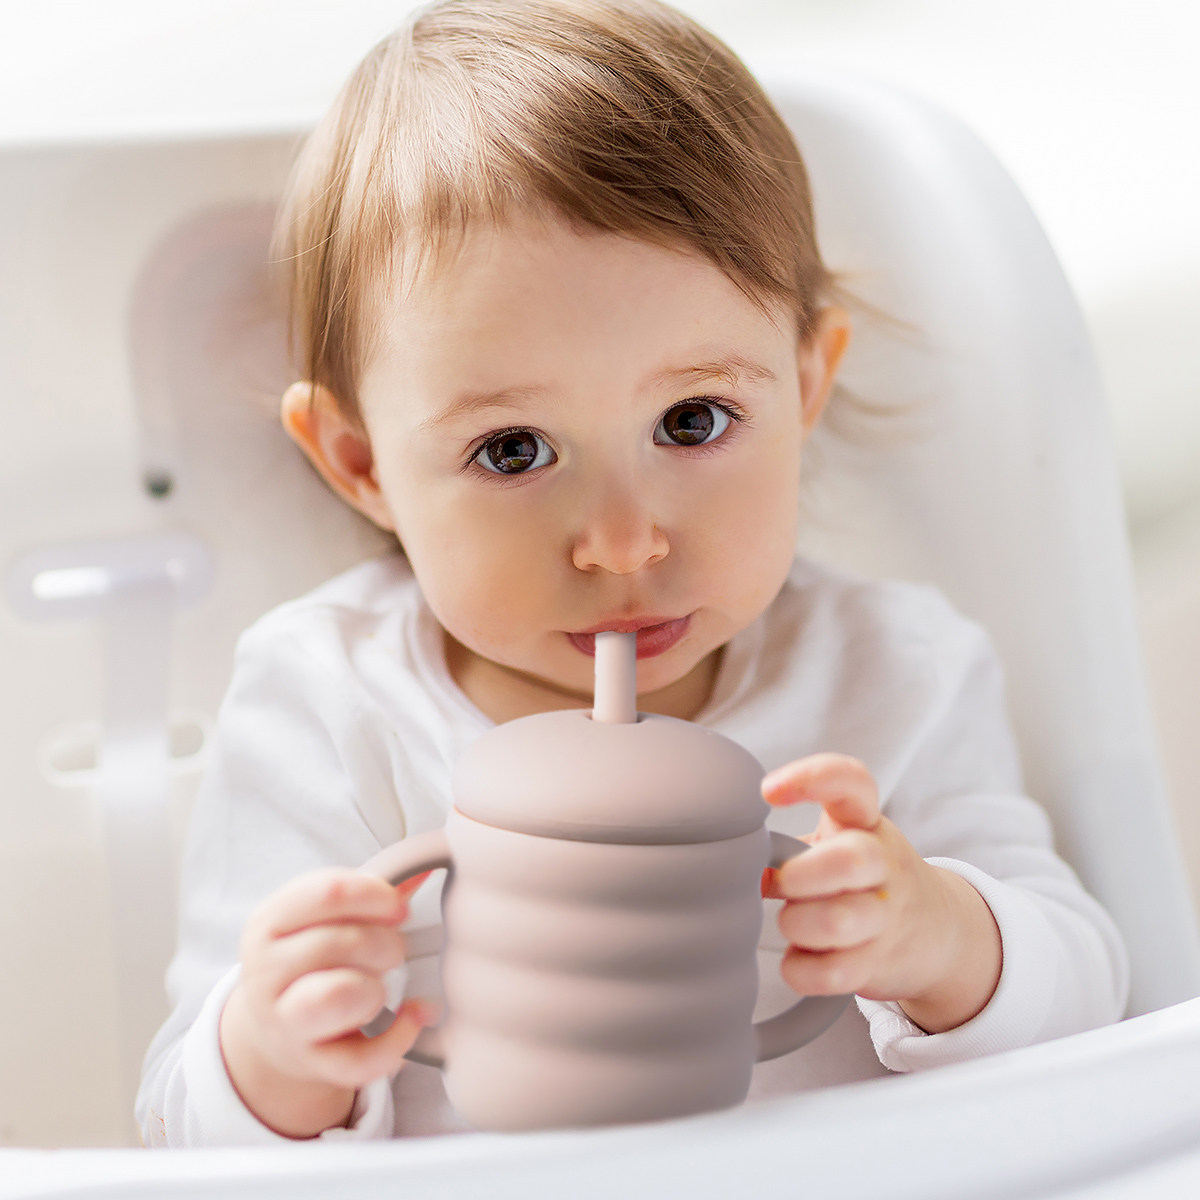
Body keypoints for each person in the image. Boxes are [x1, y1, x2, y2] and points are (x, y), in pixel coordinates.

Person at [136, 0, 1128, 1147]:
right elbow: (181, 1124)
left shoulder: (894, 673)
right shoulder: (327, 703)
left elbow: (1092, 1000)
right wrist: (271, 1057)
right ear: (361, 465)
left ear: (806, 386)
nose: (622, 541)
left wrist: (944, 937)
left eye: (694, 420)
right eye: (513, 450)